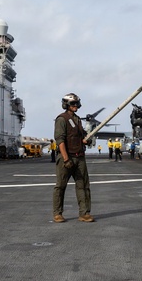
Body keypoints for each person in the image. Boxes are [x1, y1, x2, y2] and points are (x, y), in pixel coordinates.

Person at [53, 93, 94, 223]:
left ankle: (84, 213)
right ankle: (57, 213)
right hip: (67, 157)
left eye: (77, 103)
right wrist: (65, 159)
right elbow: (60, 141)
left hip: (79, 157)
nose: (75, 106)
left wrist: (85, 140)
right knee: (60, 186)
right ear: (66, 105)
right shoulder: (61, 119)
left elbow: (81, 136)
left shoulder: (77, 120)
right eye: (72, 104)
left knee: (83, 186)